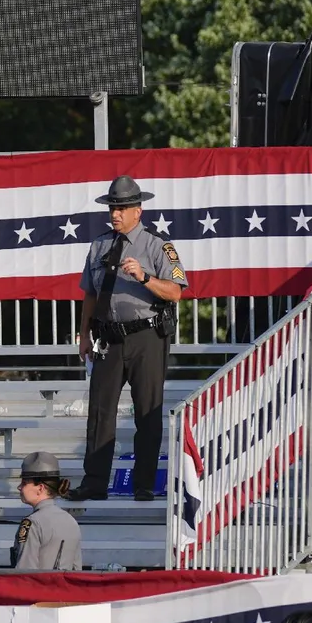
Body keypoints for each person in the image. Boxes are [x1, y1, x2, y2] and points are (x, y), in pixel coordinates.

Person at [69, 176, 187, 503]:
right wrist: (84, 334)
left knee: (146, 412)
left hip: (147, 336)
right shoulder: (99, 245)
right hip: (108, 337)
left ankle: (144, 484)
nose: (115, 214)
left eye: (121, 208)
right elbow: (90, 294)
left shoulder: (157, 245)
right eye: (112, 207)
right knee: (100, 411)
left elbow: (176, 292)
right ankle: (94, 482)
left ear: (138, 210)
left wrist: (145, 277)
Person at [12, 451, 82, 571]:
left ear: (40, 488)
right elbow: (77, 569)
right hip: (66, 589)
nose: (19, 487)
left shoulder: (32, 523)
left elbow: (25, 573)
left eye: (24, 483)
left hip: (40, 589)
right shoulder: (70, 520)